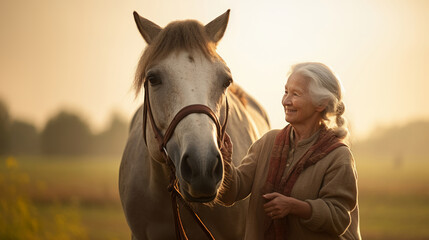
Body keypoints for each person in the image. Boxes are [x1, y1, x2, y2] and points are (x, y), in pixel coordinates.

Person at [218, 62, 361, 239]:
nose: (286, 101)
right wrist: (225, 164)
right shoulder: (268, 143)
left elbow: (339, 218)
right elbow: (233, 192)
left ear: (321, 104)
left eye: (296, 94)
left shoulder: (338, 156)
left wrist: (295, 207)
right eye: (286, 92)